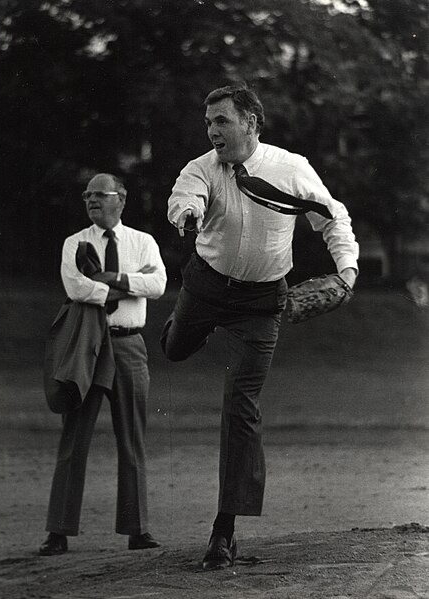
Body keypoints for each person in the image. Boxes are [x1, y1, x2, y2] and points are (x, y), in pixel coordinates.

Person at [161, 84, 359, 571]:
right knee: (173, 349)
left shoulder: (291, 168)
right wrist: (186, 213)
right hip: (205, 288)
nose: (212, 131)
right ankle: (190, 329)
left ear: (250, 122)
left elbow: (334, 218)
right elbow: (184, 198)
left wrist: (348, 271)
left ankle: (223, 530)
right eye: (208, 122)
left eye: (221, 121)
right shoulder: (202, 168)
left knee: (241, 406)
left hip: (260, 301)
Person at [39, 173, 167, 555]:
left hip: (129, 345)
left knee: (132, 438)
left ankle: (137, 530)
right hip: (88, 345)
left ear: (121, 200)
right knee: (74, 437)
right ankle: (58, 531)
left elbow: (158, 285)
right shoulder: (74, 242)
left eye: (100, 194)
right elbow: (75, 288)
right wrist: (128, 284)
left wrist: (111, 278)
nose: (92, 200)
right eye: (87, 195)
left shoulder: (142, 242)